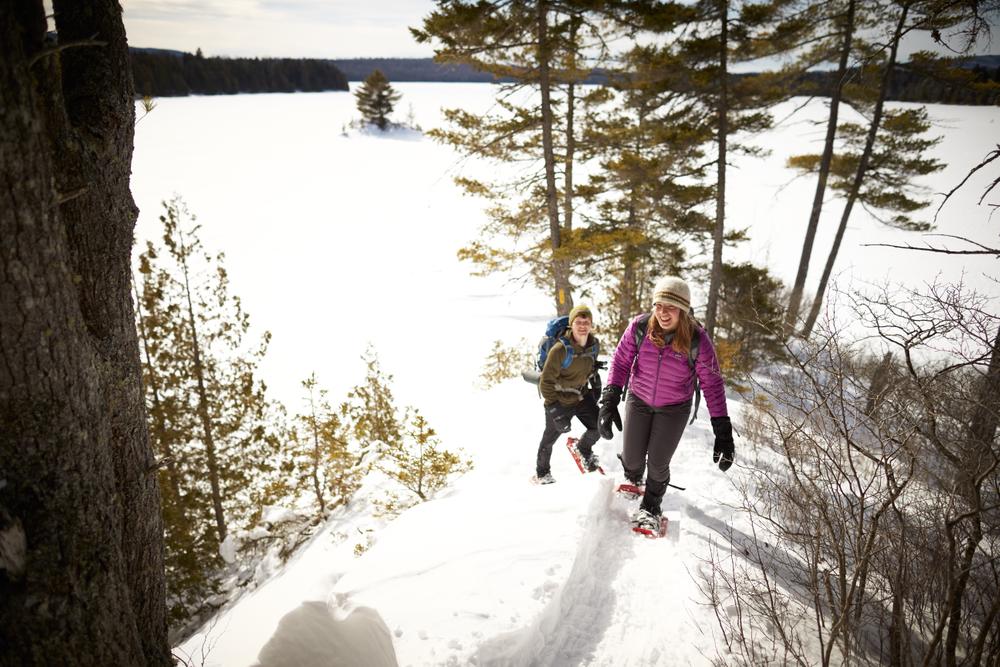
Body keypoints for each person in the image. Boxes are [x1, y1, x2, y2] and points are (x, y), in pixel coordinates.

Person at [598, 276, 735, 531]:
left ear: (683, 310)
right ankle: (633, 476)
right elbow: (621, 361)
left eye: (670, 307)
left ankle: (651, 506)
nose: (662, 313)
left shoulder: (697, 340)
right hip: (639, 398)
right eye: (658, 306)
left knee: (658, 463)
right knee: (632, 458)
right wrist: (610, 397)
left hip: (674, 407)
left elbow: (712, 384)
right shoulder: (640, 327)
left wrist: (722, 429)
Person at [534, 304, 602, 484]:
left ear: (591, 324)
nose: (582, 326)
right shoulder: (560, 349)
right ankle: (542, 473)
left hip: (581, 396)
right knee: (549, 439)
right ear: (572, 324)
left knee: (599, 426)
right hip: (559, 400)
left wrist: (595, 382)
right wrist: (555, 411)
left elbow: (589, 366)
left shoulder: (594, 345)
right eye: (578, 322)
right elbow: (546, 382)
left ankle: (583, 448)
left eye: (586, 322)